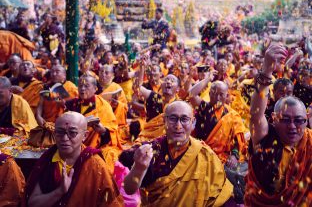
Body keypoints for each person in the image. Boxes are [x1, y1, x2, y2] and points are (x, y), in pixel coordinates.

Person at [119, 101, 233, 206]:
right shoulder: (152, 150)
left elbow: (219, 195)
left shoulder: (205, 154)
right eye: (173, 119)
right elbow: (129, 189)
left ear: (193, 122)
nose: (178, 126)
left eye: (184, 119)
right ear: (164, 121)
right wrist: (139, 168)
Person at [245, 43, 312, 206]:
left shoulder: (309, 142)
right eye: (285, 119)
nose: (292, 126)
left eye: (299, 120)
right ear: (274, 119)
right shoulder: (265, 137)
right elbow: (256, 115)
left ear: (306, 119)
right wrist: (267, 68)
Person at [24, 112, 124, 207]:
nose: (65, 138)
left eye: (72, 132)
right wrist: (60, 191)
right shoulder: (48, 159)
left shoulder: (96, 165)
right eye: (60, 132)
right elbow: (33, 203)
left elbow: (111, 202)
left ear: (85, 136)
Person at [65, 75, 122, 169]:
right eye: (80, 85)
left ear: (95, 89)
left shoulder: (104, 106)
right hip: (71, 144)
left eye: (86, 86)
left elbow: (113, 132)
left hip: (95, 146)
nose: (82, 89)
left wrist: (103, 131)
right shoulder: (70, 104)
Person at [29, 65, 78, 147]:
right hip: (46, 124)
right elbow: (40, 105)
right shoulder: (46, 87)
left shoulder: (71, 87)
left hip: (64, 126)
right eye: (52, 72)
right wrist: (38, 116)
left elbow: (75, 108)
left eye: (57, 72)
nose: (54, 74)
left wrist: (62, 103)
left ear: (64, 75)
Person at [98, 65, 129, 145]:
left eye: (107, 73)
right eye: (101, 72)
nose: (103, 74)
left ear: (112, 75)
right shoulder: (94, 86)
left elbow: (125, 108)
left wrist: (117, 105)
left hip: (112, 120)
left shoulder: (116, 87)